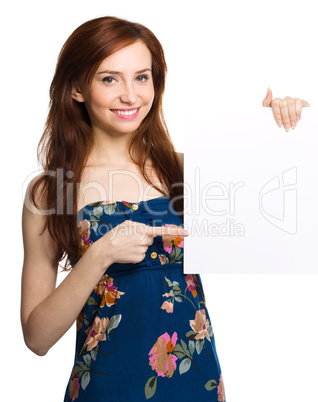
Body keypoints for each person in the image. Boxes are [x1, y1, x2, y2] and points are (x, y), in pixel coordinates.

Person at [20, 16, 309, 402]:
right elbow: (37, 338)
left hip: (194, 380)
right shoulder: (50, 192)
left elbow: (291, 208)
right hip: (105, 387)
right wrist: (101, 254)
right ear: (76, 88)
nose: (130, 95)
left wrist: (283, 127)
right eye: (109, 79)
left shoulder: (190, 170)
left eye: (142, 77)